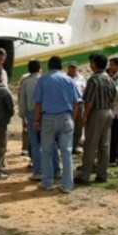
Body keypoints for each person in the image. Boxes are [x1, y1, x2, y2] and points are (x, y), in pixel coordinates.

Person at [34, 56, 80, 193]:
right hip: (66, 117)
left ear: (49, 66)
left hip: (48, 118)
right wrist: (72, 117)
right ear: (61, 66)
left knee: (46, 151)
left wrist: (36, 120)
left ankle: (47, 182)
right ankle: (67, 185)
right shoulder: (69, 80)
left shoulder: (43, 79)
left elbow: (38, 102)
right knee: (66, 152)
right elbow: (76, 102)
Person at [74, 53, 117, 184]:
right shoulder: (110, 79)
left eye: (92, 62)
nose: (90, 65)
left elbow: (89, 100)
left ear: (95, 64)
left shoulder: (93, 80)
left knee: (90, 144)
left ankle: (85, 174)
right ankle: (102, 174)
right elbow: (114, 96)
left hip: (97, 112)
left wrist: (85, 116)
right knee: (104, 145)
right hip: (108, 111)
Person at [19, 59, 58, 181]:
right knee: (51, 142)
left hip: (31, 114)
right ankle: (56, 170)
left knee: (35, 143)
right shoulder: (46, 79)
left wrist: (23, 117)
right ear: (40, 68)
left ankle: (39, 171)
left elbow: (22, 101)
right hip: (46, 113)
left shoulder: (25, 82)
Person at [67, 61, 86, 154]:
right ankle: (67, 146)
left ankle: (75, 146)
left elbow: (85, 90)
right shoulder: (64, 78)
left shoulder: (81, 78)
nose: (72, 69)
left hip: (79, 104)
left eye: (74, 68)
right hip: (68, 105)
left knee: (78, 126)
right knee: (68, 125)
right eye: (70, 67)